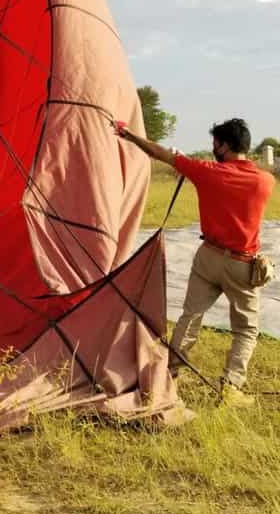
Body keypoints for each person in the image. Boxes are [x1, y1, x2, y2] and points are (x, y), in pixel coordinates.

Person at [115, 117, 274, 407]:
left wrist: (129, 135)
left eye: (215, 143)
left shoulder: (206, 172)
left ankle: (171, 373)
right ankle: (231, 387)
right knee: (246, 329)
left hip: (208, 258)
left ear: (224, 145)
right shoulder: (265, 181)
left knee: (190, 316)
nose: (213, 148)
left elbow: (161, 154)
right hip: (242, 264)